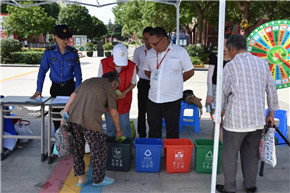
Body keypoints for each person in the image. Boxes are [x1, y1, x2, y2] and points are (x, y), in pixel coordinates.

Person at [216, 34, 279, 193]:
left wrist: (219, 114)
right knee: (251, 154)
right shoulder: (262, 63)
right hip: (257, 119)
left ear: (232, 48)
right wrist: (271, 112)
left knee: (230, 155)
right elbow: (271, 89)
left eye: (227, 50)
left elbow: (223, 93)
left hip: (236, 121)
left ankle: (230, 188)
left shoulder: (231, 66)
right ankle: (250, 186)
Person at [61, 71, 123, 187]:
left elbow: (72, 96)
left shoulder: (88, 81)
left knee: (78, 149)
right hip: (91, 121)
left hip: (73, 118)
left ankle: (81, 178)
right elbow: (114, 113)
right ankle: (98, 179)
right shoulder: (109, 87)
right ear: (113, 83)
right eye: (116, 87)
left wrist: (64, 115)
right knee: (98, 150)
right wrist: (118, 130)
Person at [143, 27, 195, 139]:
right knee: (153, 131)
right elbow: (146, 71)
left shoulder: (180, 52)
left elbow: (190, 71)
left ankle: (170, 156)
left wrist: (176, 82)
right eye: (150, 43)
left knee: (172, 132)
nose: (152, 47)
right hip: (153, 99)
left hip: (172, 100)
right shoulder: (150, 53)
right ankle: (155, 155)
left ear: (165, 39)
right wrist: (157, 81)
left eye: (155, 44)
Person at [31, 24, 82, 130]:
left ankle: (69, 143)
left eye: (67, 38)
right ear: (55, 37)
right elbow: (42, 72)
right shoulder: (49, 53)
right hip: (56, 89)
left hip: (70, 89)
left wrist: (76, 92)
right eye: (62, 38)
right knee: (56, 118)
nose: (65, 40)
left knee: (69, 118)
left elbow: (78, 74)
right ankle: (57, 142)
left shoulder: (73, 53)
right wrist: (38, 90)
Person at [98, 44, 136, 138]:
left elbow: (133, 83)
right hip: (108, 100)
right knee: (110, 127)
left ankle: (125, 150)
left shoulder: (131, 65)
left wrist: (125, 92)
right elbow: (99, 83)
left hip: (124, 99)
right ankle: (112, 149)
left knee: (124, 126)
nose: (120, 65)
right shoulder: (104, 63)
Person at [206, 37, 231, 142]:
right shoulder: (214, 57)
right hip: (216, 91)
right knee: (217, 122)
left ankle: (217, 146)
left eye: (226, 44)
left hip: (230, 93)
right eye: (222, 44)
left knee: (225, 123)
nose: (224, 48)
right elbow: (210, 77)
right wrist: (210, 94)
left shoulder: (235, 59)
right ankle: (218, 148)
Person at [133, 26, 153, 138]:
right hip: (143, 83)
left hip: (155, 84)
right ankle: (142, 134)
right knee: (142, 111)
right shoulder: (138, 51)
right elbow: (135, 66)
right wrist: (141, 74)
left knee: (153, 111)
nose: (146, 41)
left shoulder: (158, 50)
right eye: (144, 39)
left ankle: (153, 134)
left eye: (148, 39)